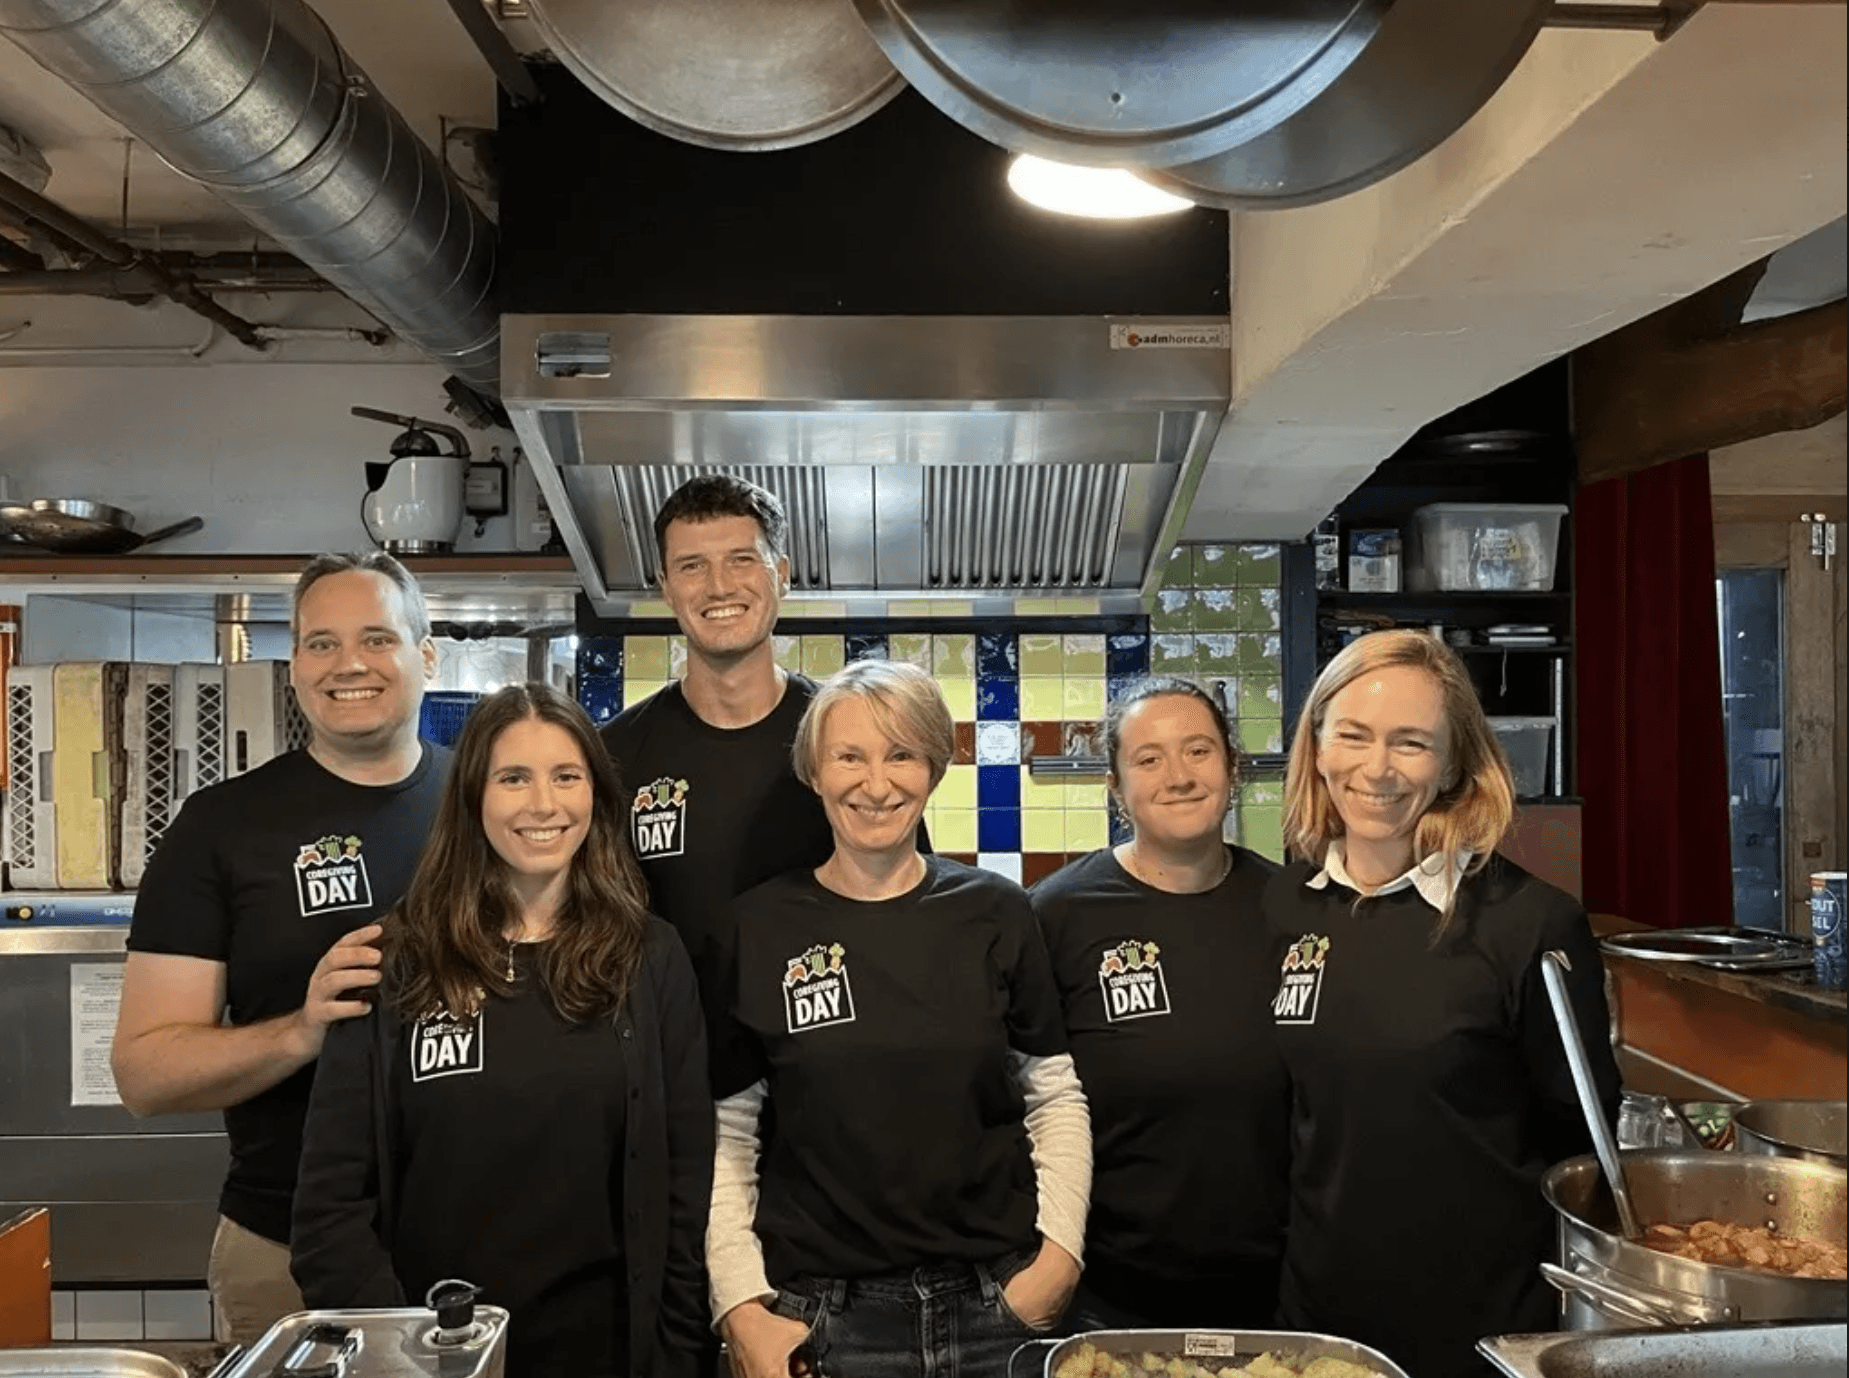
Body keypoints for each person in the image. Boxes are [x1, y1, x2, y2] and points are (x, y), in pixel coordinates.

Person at [290, 684, 714, 1378]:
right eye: (513, 777)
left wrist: (672, 1352)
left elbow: (684, 1182)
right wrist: (401, 1359)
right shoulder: (395, 959)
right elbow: (329, 1209)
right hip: (433, 1353)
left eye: (566, 776)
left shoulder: (649, 956)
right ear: (472, 799)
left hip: (607, 1353)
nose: (543, 804)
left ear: (597, 796)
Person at [707, 660, 1090, 1378]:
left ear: (933, 769)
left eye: (901, 755)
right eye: (848, 756)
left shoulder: (998, 911)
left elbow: (1053, 1093)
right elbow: (727, 1133)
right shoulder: (755, 928)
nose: (875, 784)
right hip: (819, 1323)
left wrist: (1058, 1260)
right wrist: (739, 1304)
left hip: (995, 1313)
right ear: (814, 772)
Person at [1264, 629, 1619, 1378]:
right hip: (1317, 1324)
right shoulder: (1286, 907)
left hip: (1478, 1326)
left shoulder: (1529, 922)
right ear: (1316, 745)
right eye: (1352, 736)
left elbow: (1580, 1144)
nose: (1375, 769)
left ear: (1456, 760)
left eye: (1410, 743)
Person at [112, 552, 448, 1344]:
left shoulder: (490, 809)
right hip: (285, 1246)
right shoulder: (221, 827)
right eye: (320, 643)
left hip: (476, 1238)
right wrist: (302, 1029)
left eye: (376, 637)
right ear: (294, 664)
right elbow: (144, 1074)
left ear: (425, 655)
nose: (348, 665)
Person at [1029, 676, 1286, 1328]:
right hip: (1107, 1299)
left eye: (1198, 750)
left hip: (1278, 1293)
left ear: (1231, 766)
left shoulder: (1293, 909)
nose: (1178, 775)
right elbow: (1021, 1104)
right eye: (1148, 759)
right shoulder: (1056, 916)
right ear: (1116, 787)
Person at [597, 476, 829, 1024]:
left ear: (783, 576)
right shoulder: (614, 755)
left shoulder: (842, 738)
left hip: (824, 1072)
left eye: (742, 560)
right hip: (672, 1070)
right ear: (665, 586)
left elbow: (905, 899)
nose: (719, 586)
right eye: (692, 566)